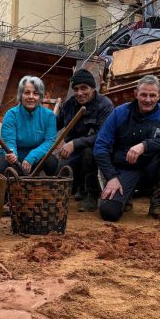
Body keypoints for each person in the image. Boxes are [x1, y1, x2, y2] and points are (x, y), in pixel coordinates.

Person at [93, 75, 160, 222]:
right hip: (126, 169)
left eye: (152, 95)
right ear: (136, 94)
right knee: (109, 213)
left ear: (159, 95)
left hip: (152, 169)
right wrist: (111, 177)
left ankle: (157, 205)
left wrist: (145, 145)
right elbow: (100, 146)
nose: (148, 100)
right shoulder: (119, 113)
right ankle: (126, 197)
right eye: (143, 95)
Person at [57, 69, 114, 212]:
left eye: (84, 88)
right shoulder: (69, 105)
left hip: (99, 148)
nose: (79, 93)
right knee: (58, 170)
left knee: (89, 152)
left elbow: (103, 136)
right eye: (76, 89)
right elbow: (54, 125)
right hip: (74, 150)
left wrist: (74, 143)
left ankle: (92, 194)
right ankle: (79, 187)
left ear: (93, 88)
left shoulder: (105, 105)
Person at [0, 76, 58, 176]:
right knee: (0, 166)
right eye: (27, 92)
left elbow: (49, 141)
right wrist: (12, 155)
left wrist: (32, 156)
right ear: (21, 95)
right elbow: (9, 141)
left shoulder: (49, 116)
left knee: (52, 162)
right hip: (15, 154)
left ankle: (49, 190)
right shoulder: (11, 114)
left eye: (36, 93)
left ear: (40, 96)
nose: (31, 97)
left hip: (37, 155)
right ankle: (7, 191)